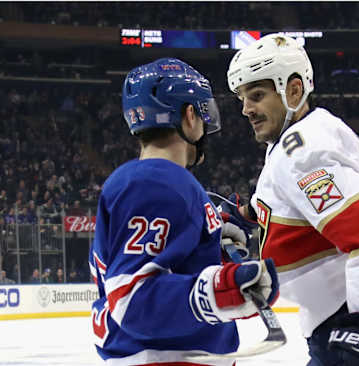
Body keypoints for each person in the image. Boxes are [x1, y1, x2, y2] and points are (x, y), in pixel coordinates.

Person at [226, 33, 359, 366]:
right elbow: (298, 207)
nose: (246, 110)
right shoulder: (295, 139)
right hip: (352, 309)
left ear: (294, 90)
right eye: (242, 98)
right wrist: (246, 214)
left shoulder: (304, 152)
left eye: (256, 95)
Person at [88, 58, 279, 366]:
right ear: (190, 115)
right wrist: (225, 287)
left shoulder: (147, 180)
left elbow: (168, 266)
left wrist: (212, 243)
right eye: (202, 113)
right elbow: (131, 299)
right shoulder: (154, 182)